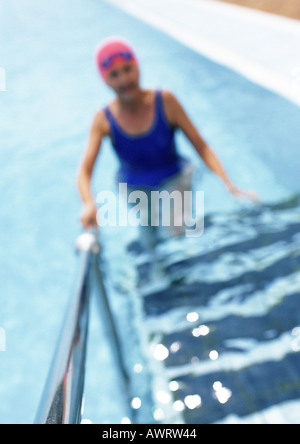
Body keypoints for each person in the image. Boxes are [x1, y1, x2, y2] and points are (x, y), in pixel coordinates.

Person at [77, 37, 257, 243]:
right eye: (114, 75)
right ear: (105, 80)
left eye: (128, 69)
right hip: (135, 186)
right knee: (149, 236)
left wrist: (228, 184)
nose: (124, 80)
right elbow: (84, 171)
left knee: (175, 230)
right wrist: (88, 202)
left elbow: (201, 146)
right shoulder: (103, 120)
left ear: (137, 67)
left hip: (175, 176)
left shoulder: (166, 102)